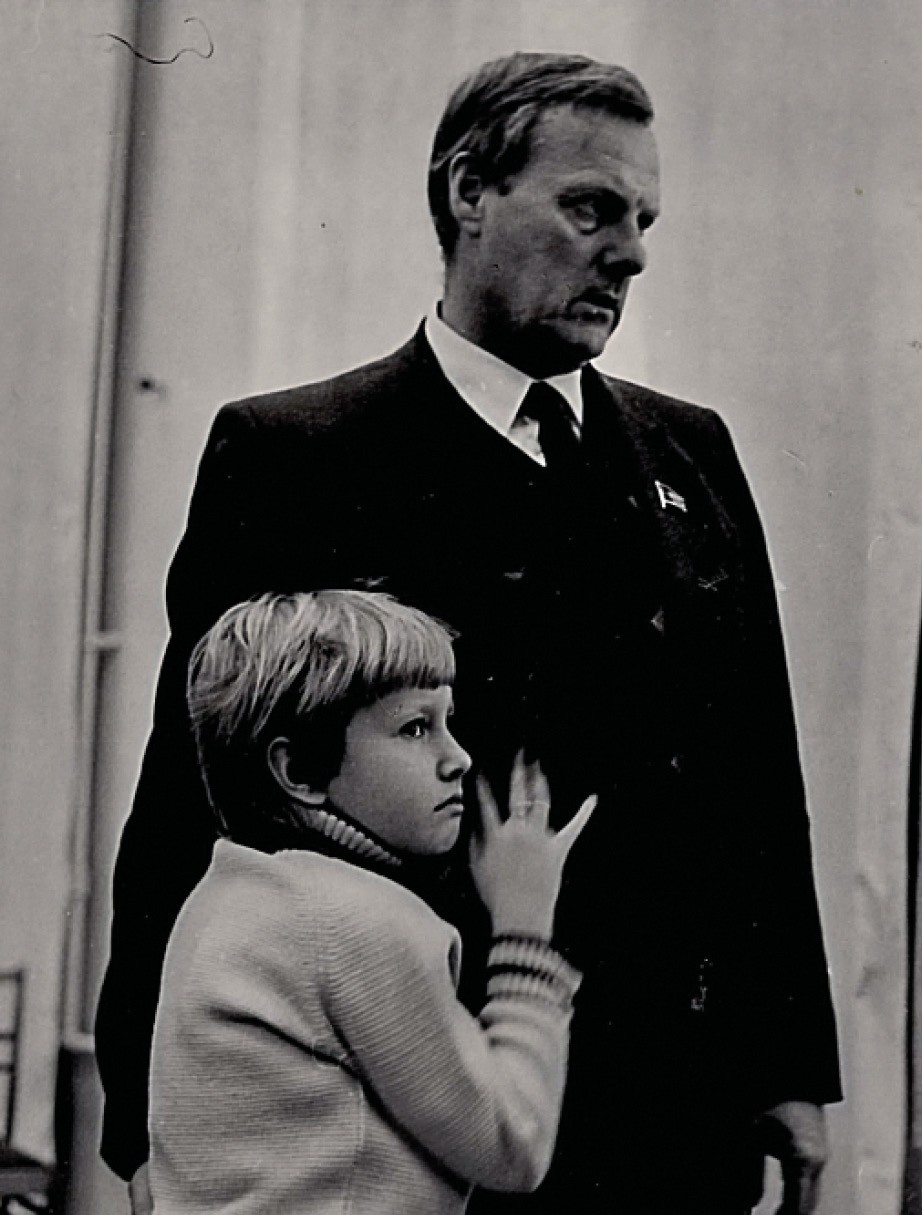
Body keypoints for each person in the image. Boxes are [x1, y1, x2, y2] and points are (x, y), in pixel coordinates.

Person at [97, 52, 842, 1215]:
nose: (631, 254)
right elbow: (193, 799)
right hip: (417, 1111)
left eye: (644, 221)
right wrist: (146, 1116)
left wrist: (789, 1061)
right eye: (591, 209)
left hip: (669, 1105)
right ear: (468, 192)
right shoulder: (299, 455)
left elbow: (754, 774)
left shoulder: (689, 454)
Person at [148, 588, 595, 1214]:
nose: (458, 758)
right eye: (415, 728)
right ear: (300, 771)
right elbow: (512, 1143)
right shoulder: (351, 920)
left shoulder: (227, 893)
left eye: (448, 722)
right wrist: (525, 932)